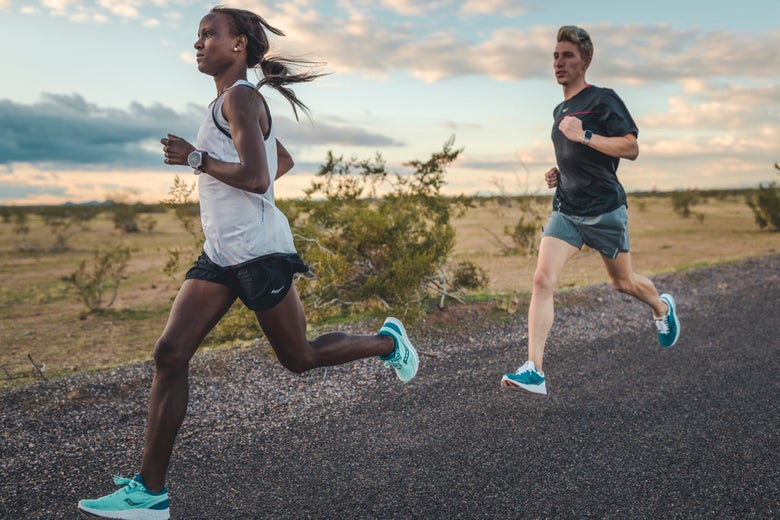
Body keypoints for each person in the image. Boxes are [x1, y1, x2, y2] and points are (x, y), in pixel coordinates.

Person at [78, 6, 418, 518]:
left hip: (257, 254)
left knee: (299, 358)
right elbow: (279, 160)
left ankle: (389, 341)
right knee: (170, 354)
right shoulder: (229, 101)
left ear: (238, 45)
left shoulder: (240, 97)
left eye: (208, 34)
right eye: (197, 36)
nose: (198, 43)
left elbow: (260, 177)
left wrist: (195, 158)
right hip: (221, 253)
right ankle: (150, 493)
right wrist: (222, 165)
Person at [500, 25, 680, 396]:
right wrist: (559, 171)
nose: (558, 62)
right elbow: (572, 155)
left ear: (586, 60)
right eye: (555, 55)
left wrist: (584, 136)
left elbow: (631, 148)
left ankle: (661, 308)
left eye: (567, 55)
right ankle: (534, 370)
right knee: (541, 280)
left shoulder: (603, 100)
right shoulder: (560, 108)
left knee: (622, 283)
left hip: (604, 209)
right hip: (567, 208)